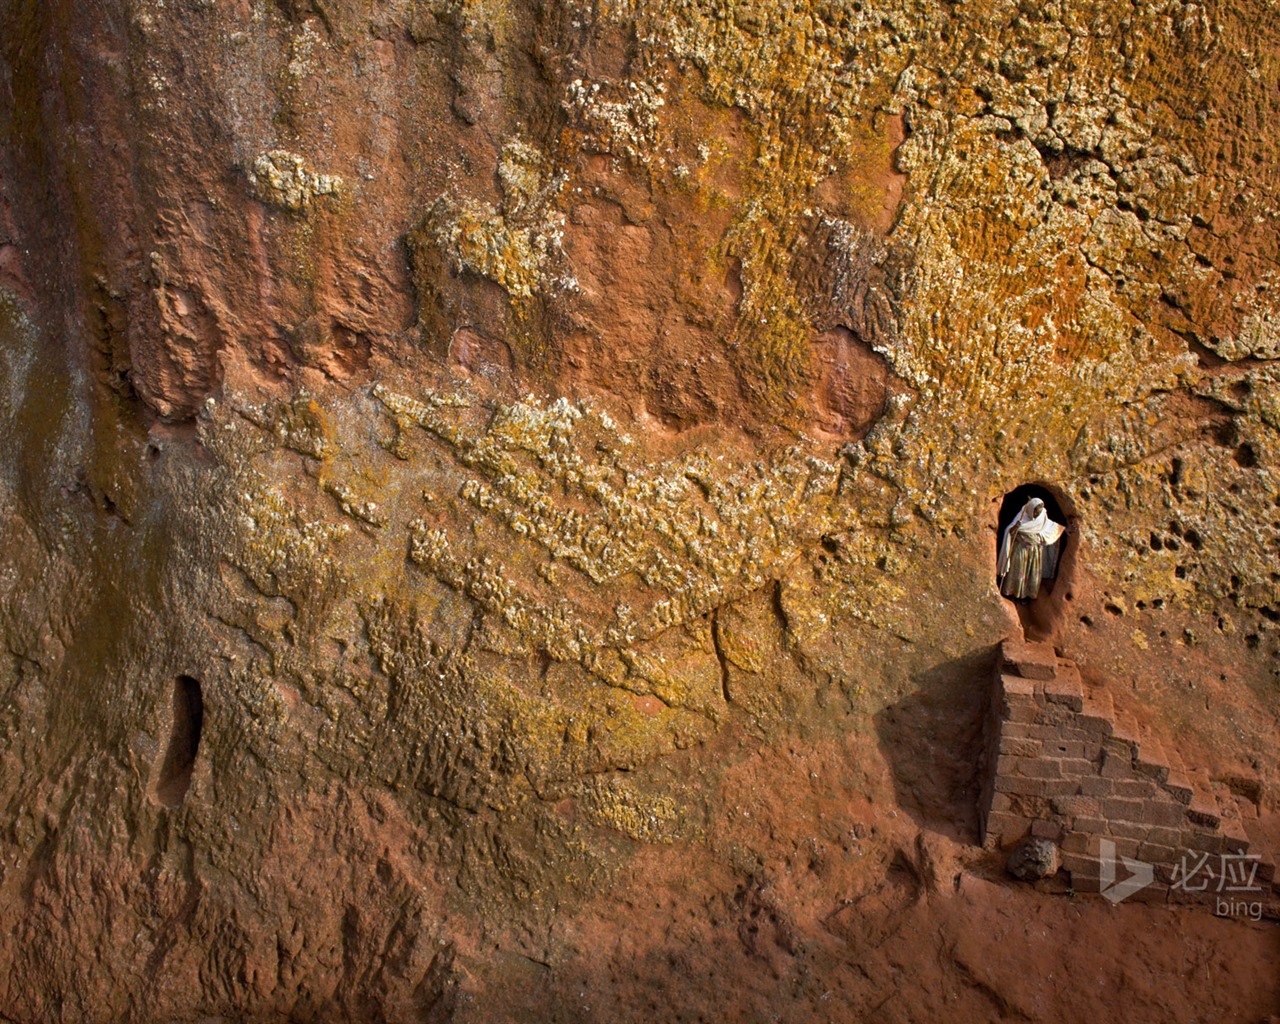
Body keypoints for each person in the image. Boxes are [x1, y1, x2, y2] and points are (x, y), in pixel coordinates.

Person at [997, 497, 1065, 600]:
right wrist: (1016, 527)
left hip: (1034, 552)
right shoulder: (1022, 517)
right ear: (1030, 510)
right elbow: (1010, 531)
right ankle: (1012, 595)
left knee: (1031, 574)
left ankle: (1026, 596)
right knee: (1018, 571)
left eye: (1038, 512)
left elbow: (1053, 528)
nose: (1036, 515)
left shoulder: (1042, 517)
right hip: (1020, 550)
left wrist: (1066, 529)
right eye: (1035, 512)